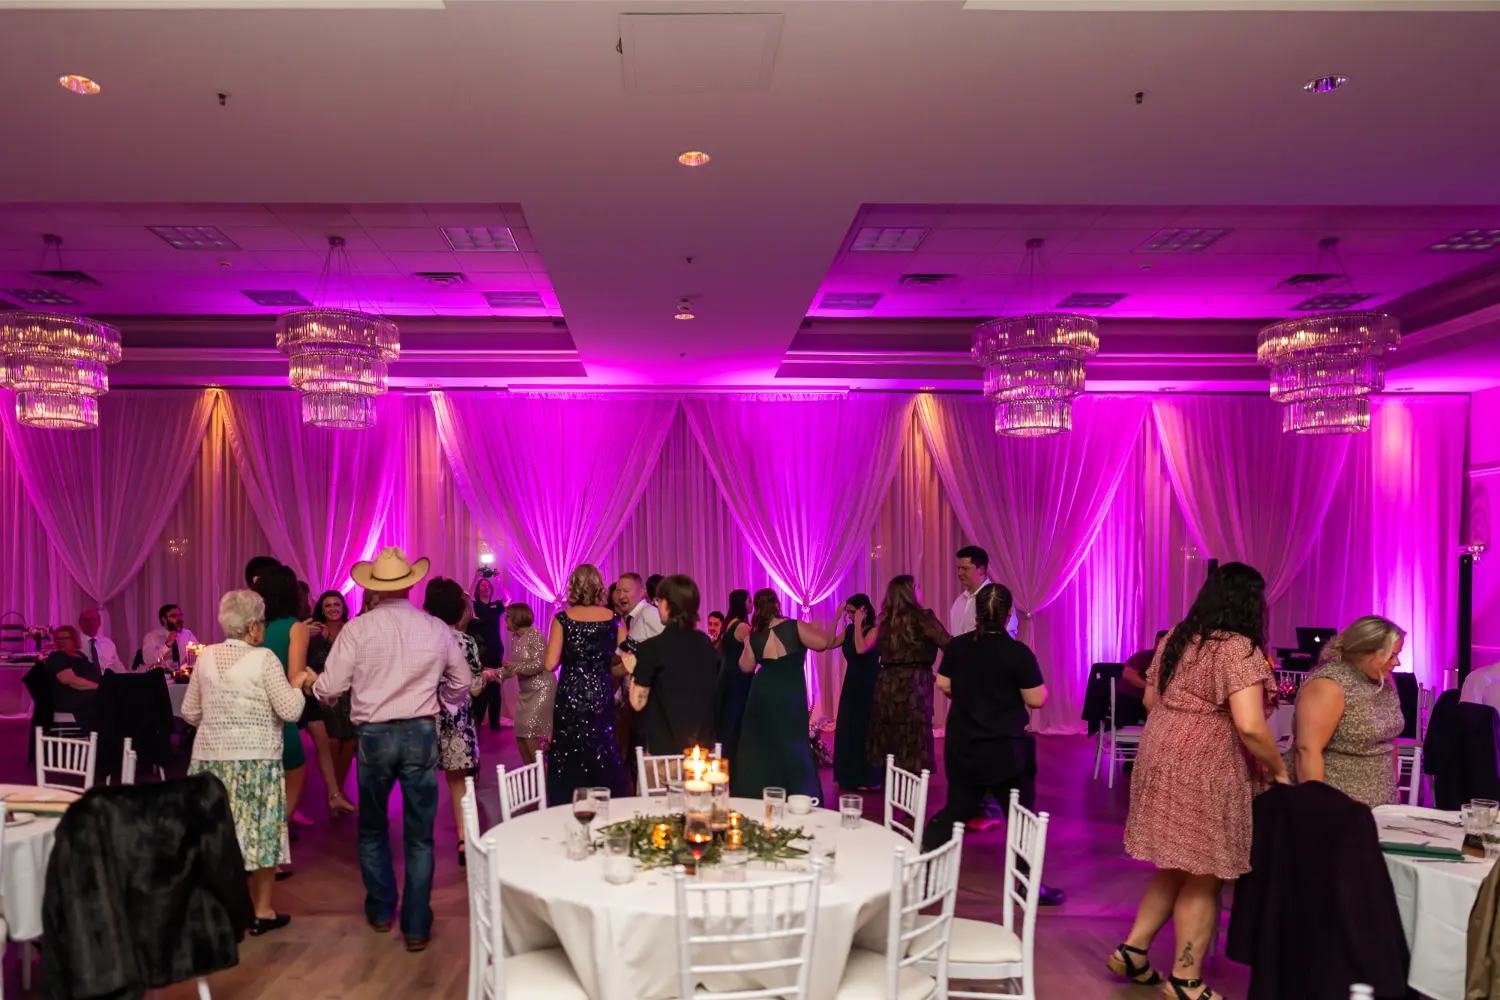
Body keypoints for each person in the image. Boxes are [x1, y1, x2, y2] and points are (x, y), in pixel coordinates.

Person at [1110, 562, 1289, 1000]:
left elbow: (1152, 699)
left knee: (1176, 861)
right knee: (1207, 872)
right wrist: (1280, 769)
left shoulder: (1176, 637)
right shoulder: (1238, 650)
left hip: (1160, 752)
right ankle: (1186, 981)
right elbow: (1249, 726)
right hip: (1205, 765)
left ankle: (1133, 950)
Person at [296, 547, 471, 953]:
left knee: (373, 827)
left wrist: (310, 682)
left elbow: (328, 690)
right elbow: (461, 683)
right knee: (420, 836)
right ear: (410, 584)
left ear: (374, 588)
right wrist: (440, 697)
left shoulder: (358, 630)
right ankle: (415, 925)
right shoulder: (434, 628)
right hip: (420, 732)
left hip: (373, 735)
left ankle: (379, 910)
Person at [920, 584, 1065, 904]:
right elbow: (1037, 699)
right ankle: (1026, 885)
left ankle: (920, 869)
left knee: (956, 810)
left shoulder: (958, 647)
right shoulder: (1017, 652)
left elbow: (943, 683)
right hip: (1005, 752)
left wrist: (971, 698)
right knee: (1020, 817)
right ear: (1009, 614)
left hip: (965, 747)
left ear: (977, 613)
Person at [181, 589, 305, 936]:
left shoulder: (205, 658)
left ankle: (217, 912)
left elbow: (190, 712)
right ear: (252, 628)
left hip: (210, 763)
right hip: (255, 761)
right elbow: (291, 711)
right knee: (261, 838)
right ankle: (261, 912)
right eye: (261, 622)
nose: (263, 628)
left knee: (215, 837)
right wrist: (298, 685)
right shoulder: (264, 659)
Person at [1287, 615, 1407, 809]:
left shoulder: (1383, 680)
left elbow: (1389, 740)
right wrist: (1315, 808)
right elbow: (1307, 751)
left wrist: (1394, 788)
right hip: (1338, 806)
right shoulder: (1329, 685)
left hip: (1380, 805)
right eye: (1391, 655)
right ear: (1365, 653)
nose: (1397, 662)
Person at [733, 588, 835, 800]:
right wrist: (815, 627)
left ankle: (762, 795)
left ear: (758, 609)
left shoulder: (754, 635)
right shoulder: (794, 626)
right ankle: (798, 794)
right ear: (777, 605)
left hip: (763, 692)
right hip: (790, 692)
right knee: (793, 741)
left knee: (763, 743)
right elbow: (823, 644)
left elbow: (745, 667)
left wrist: (746, 645)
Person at [424, 577, 495, 867]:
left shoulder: (420, 639)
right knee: (460, 783)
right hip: (456, 716)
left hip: (423, 714)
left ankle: (419, 840)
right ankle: (464, 839)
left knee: (420, 782)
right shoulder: (464, 642)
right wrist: (490, 675)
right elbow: (475, 686)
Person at [545, 563, 630, 805]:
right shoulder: (614, 619)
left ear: (573, 586)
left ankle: (568, 805)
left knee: (568, 751)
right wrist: (606, 666)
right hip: (601, 693)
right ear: (599, 586)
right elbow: (628, 659)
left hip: (570, 693)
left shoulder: (563, 619)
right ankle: (605, 803)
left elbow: (550, 664)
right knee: (601, 748)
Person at [622, 574, 718, 753]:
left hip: (665, 753)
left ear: (667, 605)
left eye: (659, 601)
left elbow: (637, 702)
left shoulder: (652, 648)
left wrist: (636, 671)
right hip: (703, 752)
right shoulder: (706, 644)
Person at [868, 575, 950, 775]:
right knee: (913, 737)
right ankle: (912, 796)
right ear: (911, 592)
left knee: (891, 737)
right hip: (914, 683)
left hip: (887, 683)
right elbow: (949, 644)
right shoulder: (923, 617)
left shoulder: (884, 621)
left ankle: (893, 791)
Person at [307, 590, 358, 816]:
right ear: (322, 609)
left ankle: (338, 791)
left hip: (353, 691)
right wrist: (327, 640)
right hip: (329, 695)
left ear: (343, 606)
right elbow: (317, 665)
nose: (333, 609)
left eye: (336, 604)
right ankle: (334, 792)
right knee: (334, 741)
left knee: (350, 741)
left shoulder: (353, 629)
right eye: (328, 606)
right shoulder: (317, 634)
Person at [832, 593, 882, 791]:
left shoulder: (875, 630)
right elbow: (828, 643)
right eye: (849, 613)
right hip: (852, 682)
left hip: (869, 683)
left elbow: (861, 649)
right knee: (849, 727)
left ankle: (869, 777)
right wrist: (837, 618)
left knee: (865, 727)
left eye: (853, 612)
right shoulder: (851, 629)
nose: (851, 616)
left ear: (863, 610)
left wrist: (859, 624)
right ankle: (850, 775)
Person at [500, 602, 552, 763]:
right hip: (526, 692)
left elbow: (540, 664)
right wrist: (493, 673)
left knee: (530, 733)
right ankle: (532, 775)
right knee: (520, 733)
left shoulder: (535, 635)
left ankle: (543, 778)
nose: (505, 620)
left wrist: (514, 667)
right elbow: (515, 667)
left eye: (507, 616)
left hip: (541, 689)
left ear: (516, 617)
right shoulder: (515, 638)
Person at [715, 589, 753, 767]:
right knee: (737, 721)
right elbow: (756, 652)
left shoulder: (729, 623)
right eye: (749, 600)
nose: (751, 604)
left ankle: (726, 761)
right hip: (739, 678)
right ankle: (735, 764)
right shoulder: (743, 627)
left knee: (728, 719)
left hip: (727, 676)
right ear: (742, 603)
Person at [949, 545, 1018, 639]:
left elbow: (1007, 637)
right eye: (959, 568)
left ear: (981, 569)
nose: (959, 573)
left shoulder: (997, 598)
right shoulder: (959, 601)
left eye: (965, 569)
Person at [467, 576, 505, 732]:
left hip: (496, 649)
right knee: (480, 686)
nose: (486, 587)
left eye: (488, 585)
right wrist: (476, 576)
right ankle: (477, 721)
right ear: (478, 589)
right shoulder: (475, 606)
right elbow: (467, 598)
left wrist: (499, 579)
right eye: (482, 585)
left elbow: (508, 598)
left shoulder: (495, 606)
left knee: (495, 687)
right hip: (480, 650)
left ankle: (495, 722)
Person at [45, 625, 101, 730]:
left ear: (74, 640)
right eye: (57, 638)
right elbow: (71, 680)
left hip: (87, 694)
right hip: (70, 697)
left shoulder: (81, 656)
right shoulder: (57, 656)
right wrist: (100, 687)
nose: (60, 641)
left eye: (65, 638)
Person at [142, 604, 198, 670]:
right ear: (164, 619)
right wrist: (167, 645)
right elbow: (148, 660)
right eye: (173, 616)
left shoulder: (187, 634)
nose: (179, 619)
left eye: (180, 615)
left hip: (183, 676)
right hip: (162, 677)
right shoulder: (152, 636)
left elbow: (199, 655)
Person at [76, 608, 124, 674]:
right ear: (80, 623)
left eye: (93, 619)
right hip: (85, 682)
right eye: (86, 620)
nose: (90, 623)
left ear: (99, 623)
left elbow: (117, 666)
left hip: (109, 681)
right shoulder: (74, 643)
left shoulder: (108, 643)